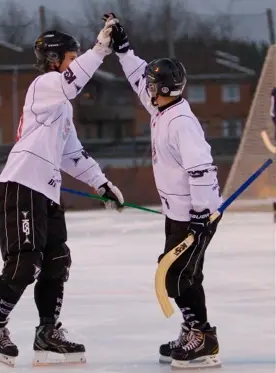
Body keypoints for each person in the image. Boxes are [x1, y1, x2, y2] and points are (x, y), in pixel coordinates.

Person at [0, 19, 126, 367]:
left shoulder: (62, 107)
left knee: (57, 260)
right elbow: (72, 84)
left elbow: (72, 153)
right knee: (26, 263)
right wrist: (101, 49)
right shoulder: (44, 86)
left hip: (45, 192)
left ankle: (47, 333)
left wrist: (102, 184)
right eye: (71, 58)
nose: (75, 64)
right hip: (21, 185)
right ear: (55, 60)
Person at [104, 13, 223, 369]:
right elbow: (137, 75)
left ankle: (201, 338)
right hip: (178, 213)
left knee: (176, 274)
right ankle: (195, 330)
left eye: (153, 86)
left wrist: (201, 214)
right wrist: (123, 49)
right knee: (185, 274)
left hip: (194, 215)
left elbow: (202, 168)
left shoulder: (181, 123)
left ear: (165, 89)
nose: (148, 89)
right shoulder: (162, 109)